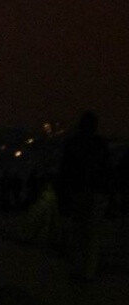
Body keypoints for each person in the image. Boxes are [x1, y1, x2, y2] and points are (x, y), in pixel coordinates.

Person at [59, 111, 111, 282]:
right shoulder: (100, 144)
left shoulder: (73, 144)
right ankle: (89, 271)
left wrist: (64, 195)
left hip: (77, 192)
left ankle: (76, 267)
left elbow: (65, 171)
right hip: (96, 192)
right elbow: (107, 170)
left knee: (77, 233)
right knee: (92, 234)